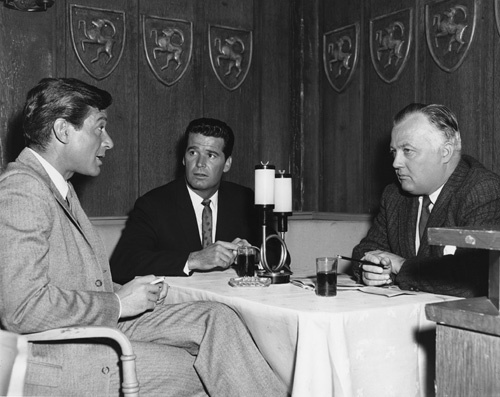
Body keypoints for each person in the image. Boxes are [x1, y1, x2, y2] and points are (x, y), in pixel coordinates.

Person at [0, 77, 287, 396]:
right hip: (70, 356)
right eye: (99, 128)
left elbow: (75, 281)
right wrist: (119, 302)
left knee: (216, 318)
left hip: (95, 326)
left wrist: (128, 290)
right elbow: (20, 308)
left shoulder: (59, 188)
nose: (108, 141)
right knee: (211, 370)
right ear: (63, 130)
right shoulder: (22, 191)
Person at [110, 117, 288, 283]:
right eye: (193, 152)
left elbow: (280, 256)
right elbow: (122, 264)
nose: (200, 163)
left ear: (227, 164)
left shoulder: (244, 199)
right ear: (183, 158)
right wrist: (193, 260)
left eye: (211, 155)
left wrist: (249, 254)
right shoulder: (154, 204)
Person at [352, 103, 500, 298]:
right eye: (393, 152)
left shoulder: (482, 189)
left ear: (445, 152)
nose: (396, 163)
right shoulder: (394, 195)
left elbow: (475, 277)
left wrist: (402, 267)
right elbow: (364, 251)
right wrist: (371, 269)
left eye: (407, 151)